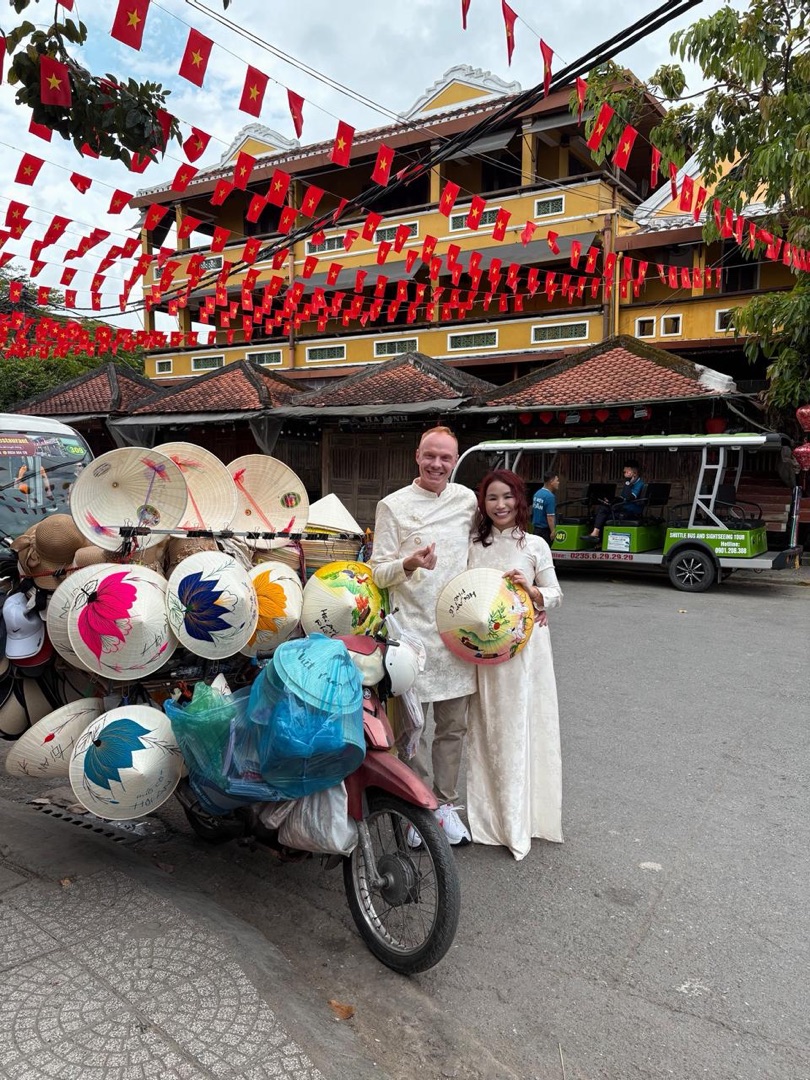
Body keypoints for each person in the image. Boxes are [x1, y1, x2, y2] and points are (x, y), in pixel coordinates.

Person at [371, 426, 477, 845]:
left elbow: (487, 550)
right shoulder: (392, 506)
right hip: (409, 634)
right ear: (417, 456)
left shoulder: (467, 501)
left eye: (445, 458)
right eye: (430, 455)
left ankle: (446, 805)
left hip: (456, 633)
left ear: (455, 461)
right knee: (409, 730)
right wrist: (408, 564)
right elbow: (378, 570)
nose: (437, 464)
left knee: (452, 728)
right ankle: (417, 809)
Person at [466, 469, 563, 860]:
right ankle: (491, 816)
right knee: (489, 726)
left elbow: (556, 594)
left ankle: (524, 817)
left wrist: (533, 591)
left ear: (519, 500)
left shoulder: (535, 544)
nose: (500, 505)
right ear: (482, 504)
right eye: (492, 498)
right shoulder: (472, 544)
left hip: (527, 652)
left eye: (507, 497)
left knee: (525, 726)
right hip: (485, 650)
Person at [585, 459, 646, 542]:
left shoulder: (639, 484)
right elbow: (622, 498)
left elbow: (629, 498)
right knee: (602, 509)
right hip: (623, 508)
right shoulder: (629, 484)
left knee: (603, 514)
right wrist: (610, 501)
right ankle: (597, 537)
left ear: (634, 473)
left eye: (626, 472)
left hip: (631, 511)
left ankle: (596, 536)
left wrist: (628, 482)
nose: (624, 474)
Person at [532, 470, 560, 544]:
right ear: (551, 481)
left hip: (536, 530)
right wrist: (553, 531)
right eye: (557, 480)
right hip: (545, 531)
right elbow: (550, 517)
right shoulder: (549, 497)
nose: (558, 483)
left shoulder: (537, 494)